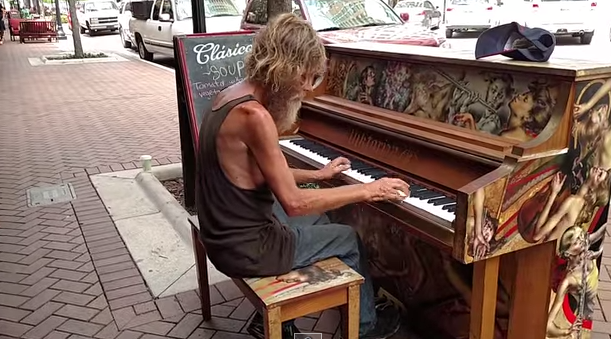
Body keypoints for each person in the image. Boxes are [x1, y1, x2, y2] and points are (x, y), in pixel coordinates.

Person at [195, 12, 410, 339]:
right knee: (347, 238)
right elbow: (295, 203)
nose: (307, 90)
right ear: (288, 69)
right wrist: (370, 190)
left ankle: (287, 322)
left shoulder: (231, 96)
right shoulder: (256, 116)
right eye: (307, 78)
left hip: (222, 233)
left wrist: (319, 174)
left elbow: (264, 170)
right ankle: (366, 326)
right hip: (246, 248)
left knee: (320, 222)